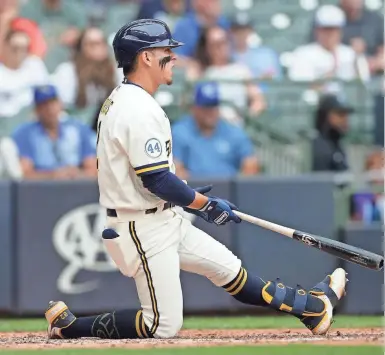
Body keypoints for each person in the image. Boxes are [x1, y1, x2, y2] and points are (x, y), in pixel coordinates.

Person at [45, 19, 347, 341]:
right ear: (145, 57)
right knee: (161, 326)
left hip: (161, 217)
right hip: (140, 226)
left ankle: (311, 309)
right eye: (165, 51)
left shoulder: (130, 99)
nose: (173, 58)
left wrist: (191, 200)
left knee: (233, 274)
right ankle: (68, 326)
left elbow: (158, 180)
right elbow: (156, 180)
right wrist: (204, 205)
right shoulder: (137, 108)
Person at [172, 81, 259, 179]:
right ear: (194, 108)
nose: (210, 112)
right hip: (194, 190)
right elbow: (176, 168)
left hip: (228, 191)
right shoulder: (180, 131)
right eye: (205, 107)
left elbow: (250, 164)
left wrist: (238, 187)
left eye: (213, 107)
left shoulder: (233, 132)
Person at [12, 85, 97, 180]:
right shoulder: (25, 133)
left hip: (76, 187)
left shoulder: (78, 129)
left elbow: (93, 169)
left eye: (53, 102)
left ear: (60, 104)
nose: (49, 109)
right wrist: (53, 176)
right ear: (37, 110)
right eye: (44, 105)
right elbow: (25, 174)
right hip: (41, 190)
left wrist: (76, 175)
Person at [193, 25, 265, 124]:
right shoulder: (202, 73)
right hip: (210, 127)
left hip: (236, 126)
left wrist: (248, 116)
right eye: (215, 44)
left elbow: (258, 100)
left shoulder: (241, 70)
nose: (221, 48)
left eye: (224, 42)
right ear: (206, 48)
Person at [309, 0, 384, 76]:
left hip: (366, 68)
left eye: (333, 30)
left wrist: (373, 62)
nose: (330, 35)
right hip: (334, 66)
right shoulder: (330, 13)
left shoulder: (374, 19)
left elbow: (382, 49)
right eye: (327, 30)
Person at [51, 27, 119, 109]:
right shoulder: (67, 71)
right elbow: (63, 106)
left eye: (102, 42)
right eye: (93, 44)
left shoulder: (117, 70)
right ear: (81, 48)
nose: (99, 47)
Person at [289, 5, 361, 82]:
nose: (329, 34)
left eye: (333, 30)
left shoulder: (349, 54)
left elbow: (360, 85)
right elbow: (301, 85)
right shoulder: (303, 54)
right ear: (317, 31)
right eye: (325, 29)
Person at [20, 0, 87, 72]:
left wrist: (78, 34)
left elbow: (85, 31)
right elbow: (21, 34)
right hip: (35, 64)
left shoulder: (74, 9)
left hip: (67, 66)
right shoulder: (29, 9)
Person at [0, 30, 49, 119]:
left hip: (31, 121)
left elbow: (47, 95)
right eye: (15, 48)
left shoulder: (35, 65)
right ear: (5, 47)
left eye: (24, 49)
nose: (19, 53)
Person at [230, 12, 282, 80]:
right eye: (237, 30)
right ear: (230, 31)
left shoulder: (266, 55)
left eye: (245, 29)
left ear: (251, 30)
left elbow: (275, 81)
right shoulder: (224, 56)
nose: (241, 33)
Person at [311, 94, 354, 172]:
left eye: (346, 115)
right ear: (324, 115)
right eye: (340, 114)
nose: (345, 120)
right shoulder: (317, 146)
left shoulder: (335, 143)